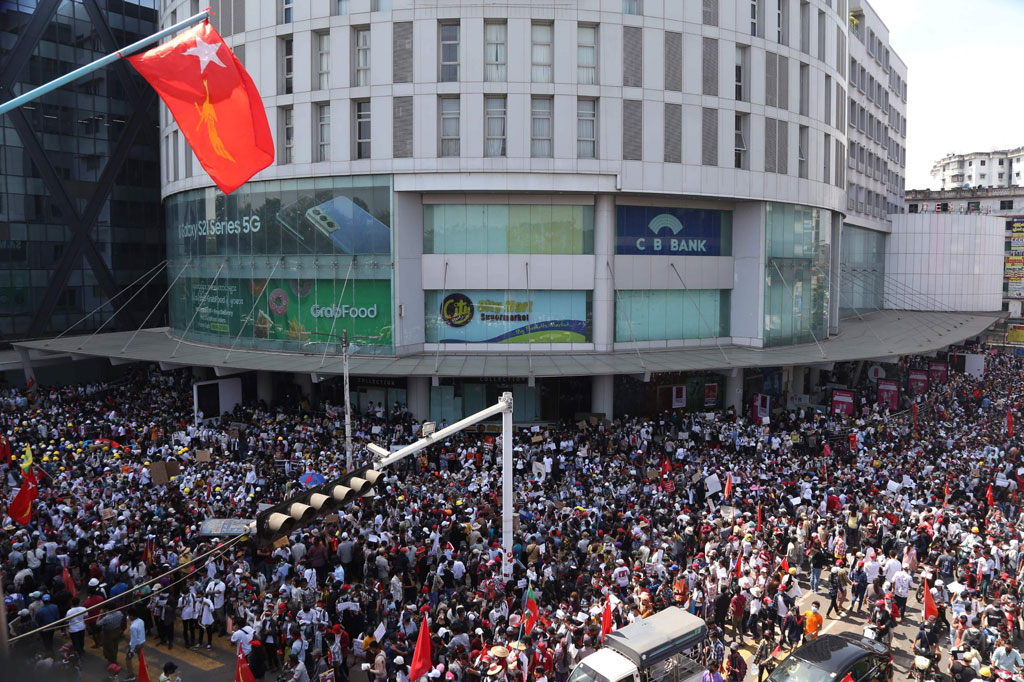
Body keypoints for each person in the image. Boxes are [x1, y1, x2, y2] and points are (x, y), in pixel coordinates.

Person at [125, 607, 147, 682]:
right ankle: (144, 669)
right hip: (142, 642)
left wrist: (131, 650)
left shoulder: (133, 627)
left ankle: (131, 675)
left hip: (136, 644)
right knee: (140, 657)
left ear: (132, 616)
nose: (128, 617)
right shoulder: (141, 621)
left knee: (128, 659)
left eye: (129, 615)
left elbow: (133, 640)